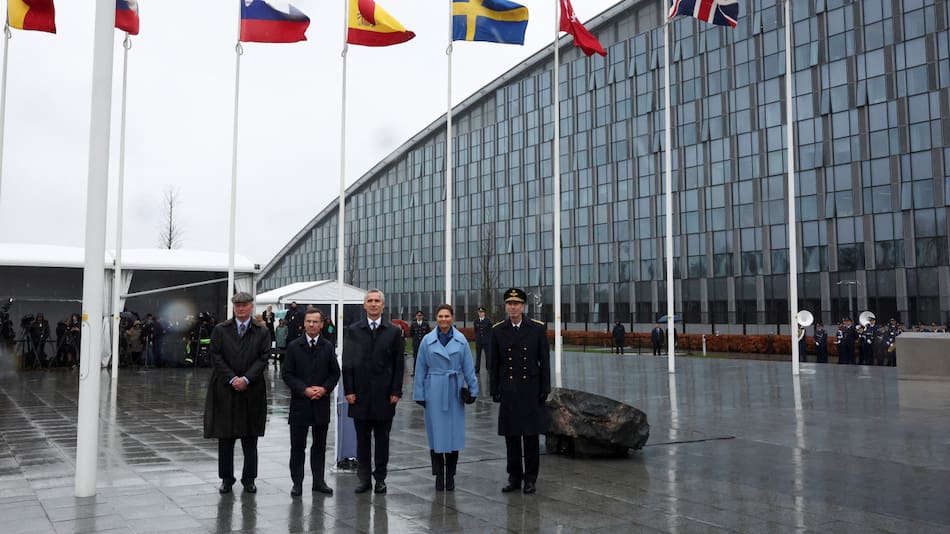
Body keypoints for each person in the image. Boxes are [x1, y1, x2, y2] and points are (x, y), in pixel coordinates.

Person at [203, 292, 271, 495]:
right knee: (226, 438)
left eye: (244, 305)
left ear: (251, 307)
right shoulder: (221, 330)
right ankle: (226, 478)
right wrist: (232, 379)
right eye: (237, 305)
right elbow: (215, 356)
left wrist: (247, 379)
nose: (240, 309)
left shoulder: (261, 331)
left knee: (250, 438)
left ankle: (249, 479)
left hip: (252, 390)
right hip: (225, 390)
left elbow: (264, 356)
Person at [490, 287, 551, 495]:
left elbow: (544, 361)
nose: (513, 307)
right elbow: (494, 362)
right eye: (509, 303)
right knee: (512, 436)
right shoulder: (498, 330)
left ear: (523, 306)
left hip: (531, 389)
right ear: (506, 307)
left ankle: (531, 478)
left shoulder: (536, 328)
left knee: (531, 436)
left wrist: (545, 388)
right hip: (509, 389)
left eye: (516, 304)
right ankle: (514, 477)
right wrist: (494, 389)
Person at [342, 289, 404, 495]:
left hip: (385, 396)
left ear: (383, 305)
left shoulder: (393, 332)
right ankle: (364, 479)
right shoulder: (353, 330)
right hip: (359, 396)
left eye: (377, 301)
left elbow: (399, 364)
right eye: (370, 301)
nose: (374, 304)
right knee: (362, 441)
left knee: (382, 440)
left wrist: (396, 391)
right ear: (364, 305)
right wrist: (348, 390)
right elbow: (348, 363)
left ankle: (380, 479)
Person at [412, 304, 479, 491]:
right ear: (436, 318)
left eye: (447, 316)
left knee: (453, 435)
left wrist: (473, 390)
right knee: (435, 435)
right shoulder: (427, 340)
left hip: (454, 390)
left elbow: (468, 366)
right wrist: (419, 393)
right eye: (440, 316)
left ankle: (450, 475)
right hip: (434, 389)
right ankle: (438, 475)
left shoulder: (461, 340)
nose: (443, 319)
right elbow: (420, 368)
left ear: (452, 317)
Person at [281, 308, 340, 497]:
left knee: (320, 445)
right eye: (309, 321)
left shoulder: (328, 346)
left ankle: (318, 481)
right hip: (300, 403)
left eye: (316, 322)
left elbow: (334, 373)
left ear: (322, 324)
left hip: (320, 403)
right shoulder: (294, 346)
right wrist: (304, 389)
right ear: (304, 323)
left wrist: (324, 389)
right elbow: (287, 373)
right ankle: (297, 482)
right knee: (298, 446)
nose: (312, 325)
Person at [409, 310, 430, 376]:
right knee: (416, 357)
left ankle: (425, 371)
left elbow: (428, 333)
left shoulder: (425, 324)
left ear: (422, 316)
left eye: (420, 315)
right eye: (418, 315)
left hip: (424, 343)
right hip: (416, 343)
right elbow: (411, 334)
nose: (419, 317)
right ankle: (415, 371)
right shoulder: (413, 324)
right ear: (416, 316)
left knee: (425, 357)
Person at [473, 306, 492, 373]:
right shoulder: (476, 321)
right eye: (479, 312)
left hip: (487, 341)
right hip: (479, 341)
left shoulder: (488, 321)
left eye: (482, 312)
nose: (480, 313)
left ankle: (489, 368)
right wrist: (477, 338)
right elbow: (476, 331)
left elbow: (490, 331)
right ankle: (477, 369)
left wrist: (489, 340)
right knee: (478, 356)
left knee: (488, 356)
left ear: (484, 313)